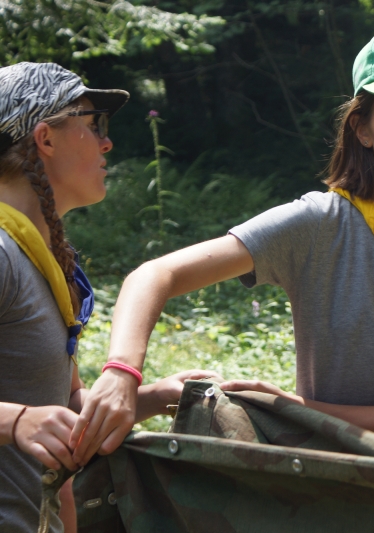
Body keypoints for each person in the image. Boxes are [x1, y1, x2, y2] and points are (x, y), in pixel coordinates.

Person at [71, 28, 374, 469]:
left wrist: (292, 409)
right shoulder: (317, 224)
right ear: (362, 129)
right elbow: (154, 275)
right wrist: (121, 373)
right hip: (318, 490)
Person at [0, 62, 220, 533]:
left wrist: (153, 397)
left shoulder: (39, 259)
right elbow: (29, 416)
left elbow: (59, 404)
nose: (107, 143)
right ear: (46, 139)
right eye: (94, 123)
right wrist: (14, 421)